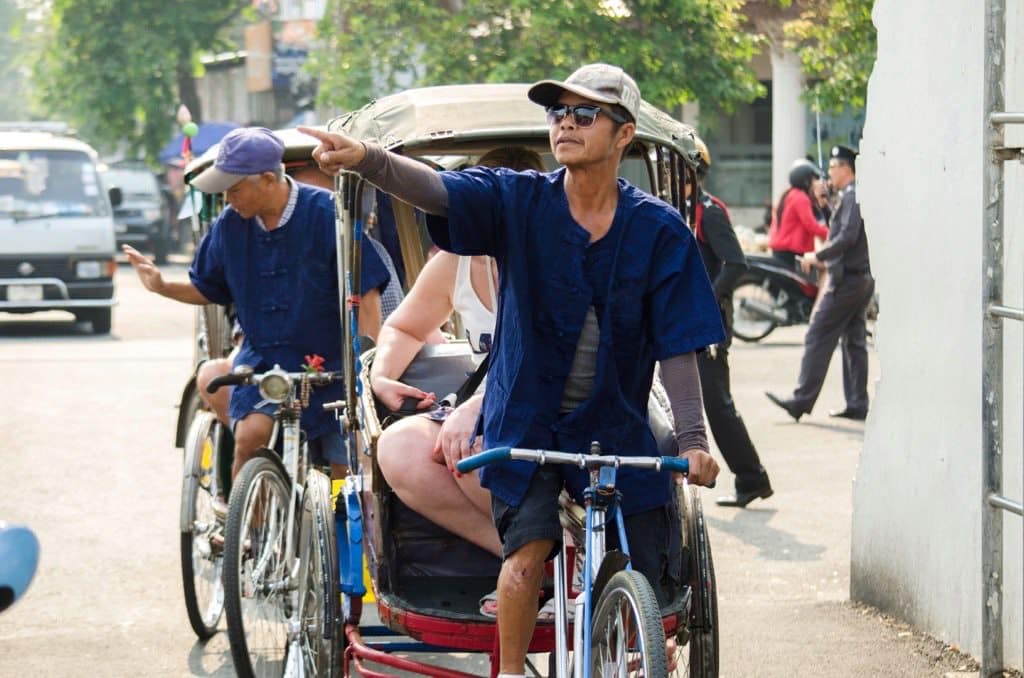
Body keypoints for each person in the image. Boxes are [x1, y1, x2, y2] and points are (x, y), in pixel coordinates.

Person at [301, 62, 724, 678]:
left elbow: (679, 344)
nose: (566, 125)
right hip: (524, 425)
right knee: (525, 561)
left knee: (649, 573)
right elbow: (441, 192)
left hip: (616, 425)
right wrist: (367, 157)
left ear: (624, 134)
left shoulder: (658, 231)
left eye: (585, 114)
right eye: (557, 113)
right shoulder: (519, 200)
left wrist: (692, 439)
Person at [124, 126, 390, 480]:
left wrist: (366, 365)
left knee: (344, 469)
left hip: (328, 359)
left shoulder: (326, 214)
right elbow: (207, 287)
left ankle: (334, 529)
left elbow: (367, 295)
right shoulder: (230, 225)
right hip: (263, 357)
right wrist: (161, 286)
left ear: (267, 179)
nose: (229, 200)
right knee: (250, 436)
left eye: (235, 189)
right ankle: (249, 528)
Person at [370, 146, 546, 563]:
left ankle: (546, 559)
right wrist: (382, 376)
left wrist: (479, 410)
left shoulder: (560, 256)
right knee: (398, 447)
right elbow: (405, 325)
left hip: (549, 408)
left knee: (474, 448)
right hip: (485, 411)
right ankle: (521, 559)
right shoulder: (458, 260)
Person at [687, 139, 774, 508]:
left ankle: (752, 477)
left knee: (718, 405)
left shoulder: (709, 212)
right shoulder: (681, 208)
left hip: (709, 326)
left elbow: (737, 263)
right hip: (686, 322)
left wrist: (707, 297)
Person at [766, 144, 874, 421]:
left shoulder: (852, 196)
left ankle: (801, 400)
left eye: (833, 168)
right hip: (858, 278)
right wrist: (825, 205)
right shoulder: (849, 196)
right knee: (854, 341)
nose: (828, 173)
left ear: (846, 169)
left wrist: (817, 256)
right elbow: (839, 228)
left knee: (817, 334)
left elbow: (846, 237)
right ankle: (857, 403)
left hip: (846, 280)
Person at [768, 159, 830, 270]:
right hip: (791, 251)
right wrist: (831, 234)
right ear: (806, 181)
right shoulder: (801, 198)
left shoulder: (788, 194)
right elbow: (811, 226)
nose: (816, 183)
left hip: (780, 249)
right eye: (814, 180)